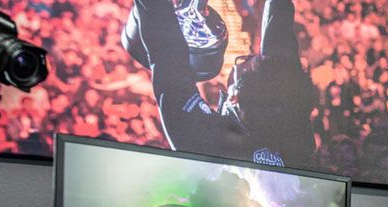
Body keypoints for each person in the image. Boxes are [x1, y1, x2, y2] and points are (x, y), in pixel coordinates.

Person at [127, 0, 316, 167]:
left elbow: (167, 57)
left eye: (244, 62)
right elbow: (279, 41)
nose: (247, 56)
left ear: (234, 98)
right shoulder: (294, 129)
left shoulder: (205, 145)